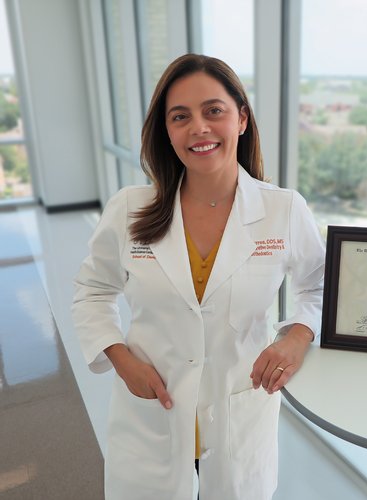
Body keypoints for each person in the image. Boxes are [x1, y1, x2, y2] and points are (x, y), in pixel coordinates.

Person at [72, 53, 325, 500]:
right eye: (180, 117)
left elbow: (318, 284)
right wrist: (119, 357)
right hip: (153, 406)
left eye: (214, 111)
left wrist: (296, 335)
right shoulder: (129, 209)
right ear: (166, 132)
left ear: (241, 119)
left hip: (238, 406)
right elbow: (93, 291)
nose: (199, 128)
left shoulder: (284, 209)